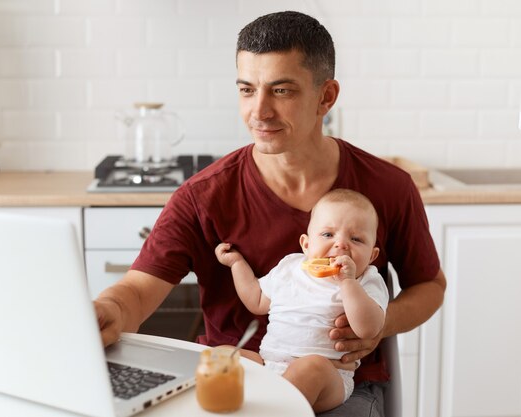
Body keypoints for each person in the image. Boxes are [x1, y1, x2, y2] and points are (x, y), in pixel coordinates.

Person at [95, 10, 446, 417]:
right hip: (237, 382)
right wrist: (109, 308)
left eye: (281, 91)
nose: (259, 112)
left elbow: (429, 286)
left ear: (326, 98)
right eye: (247, 90)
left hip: (341, 389)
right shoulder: (202, 195)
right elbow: (138, 291)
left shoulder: (388, 186)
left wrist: (379, 323)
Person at [215, 189, 389, 413]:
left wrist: (347, 283)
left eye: (356, 239)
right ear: (306, 245)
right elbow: (257, 300)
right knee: (225, 355)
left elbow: (368, 328)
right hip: (269, 365)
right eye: (328, 235)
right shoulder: (290, 267)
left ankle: (272, 411)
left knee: (310, 367)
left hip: (329, 376)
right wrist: (236, 264)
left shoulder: (366, 280)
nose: (341, 245)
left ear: (372, 255)